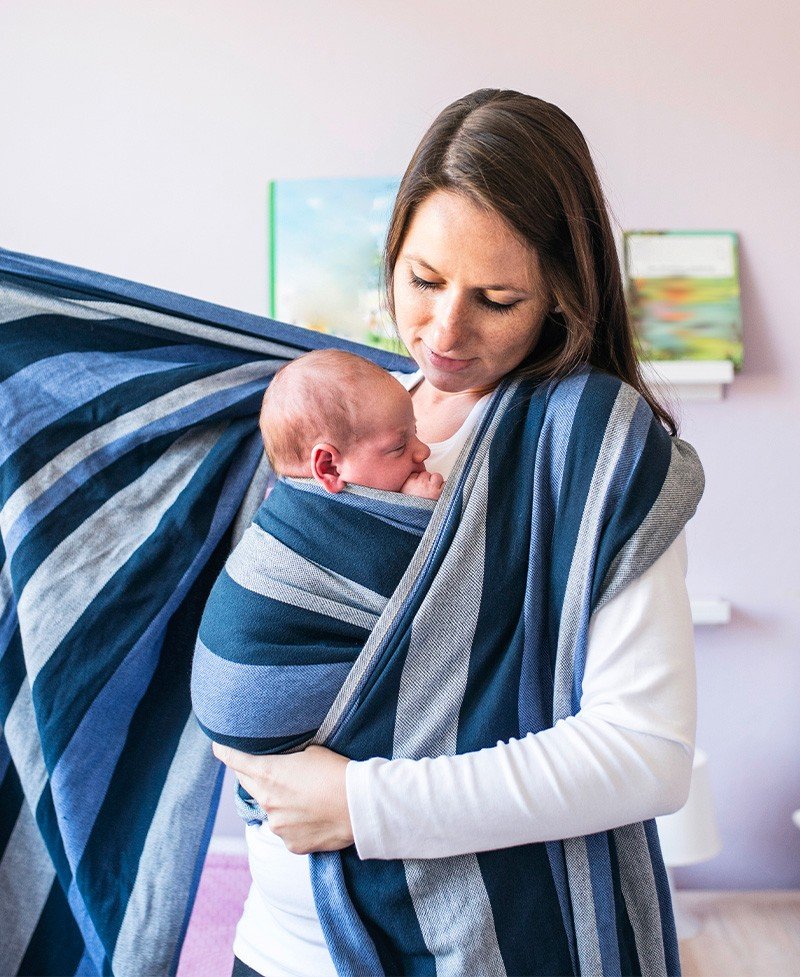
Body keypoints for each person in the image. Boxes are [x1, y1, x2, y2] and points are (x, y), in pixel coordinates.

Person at [213, 89, 701, 977]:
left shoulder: (588, 453)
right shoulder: (340, 425)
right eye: (424, 280)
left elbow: (647, 754)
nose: (444, 330)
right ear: (392, 252)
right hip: (278, 942)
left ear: (561, 293)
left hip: (473, 951)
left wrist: (362, 802)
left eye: (498, 297)